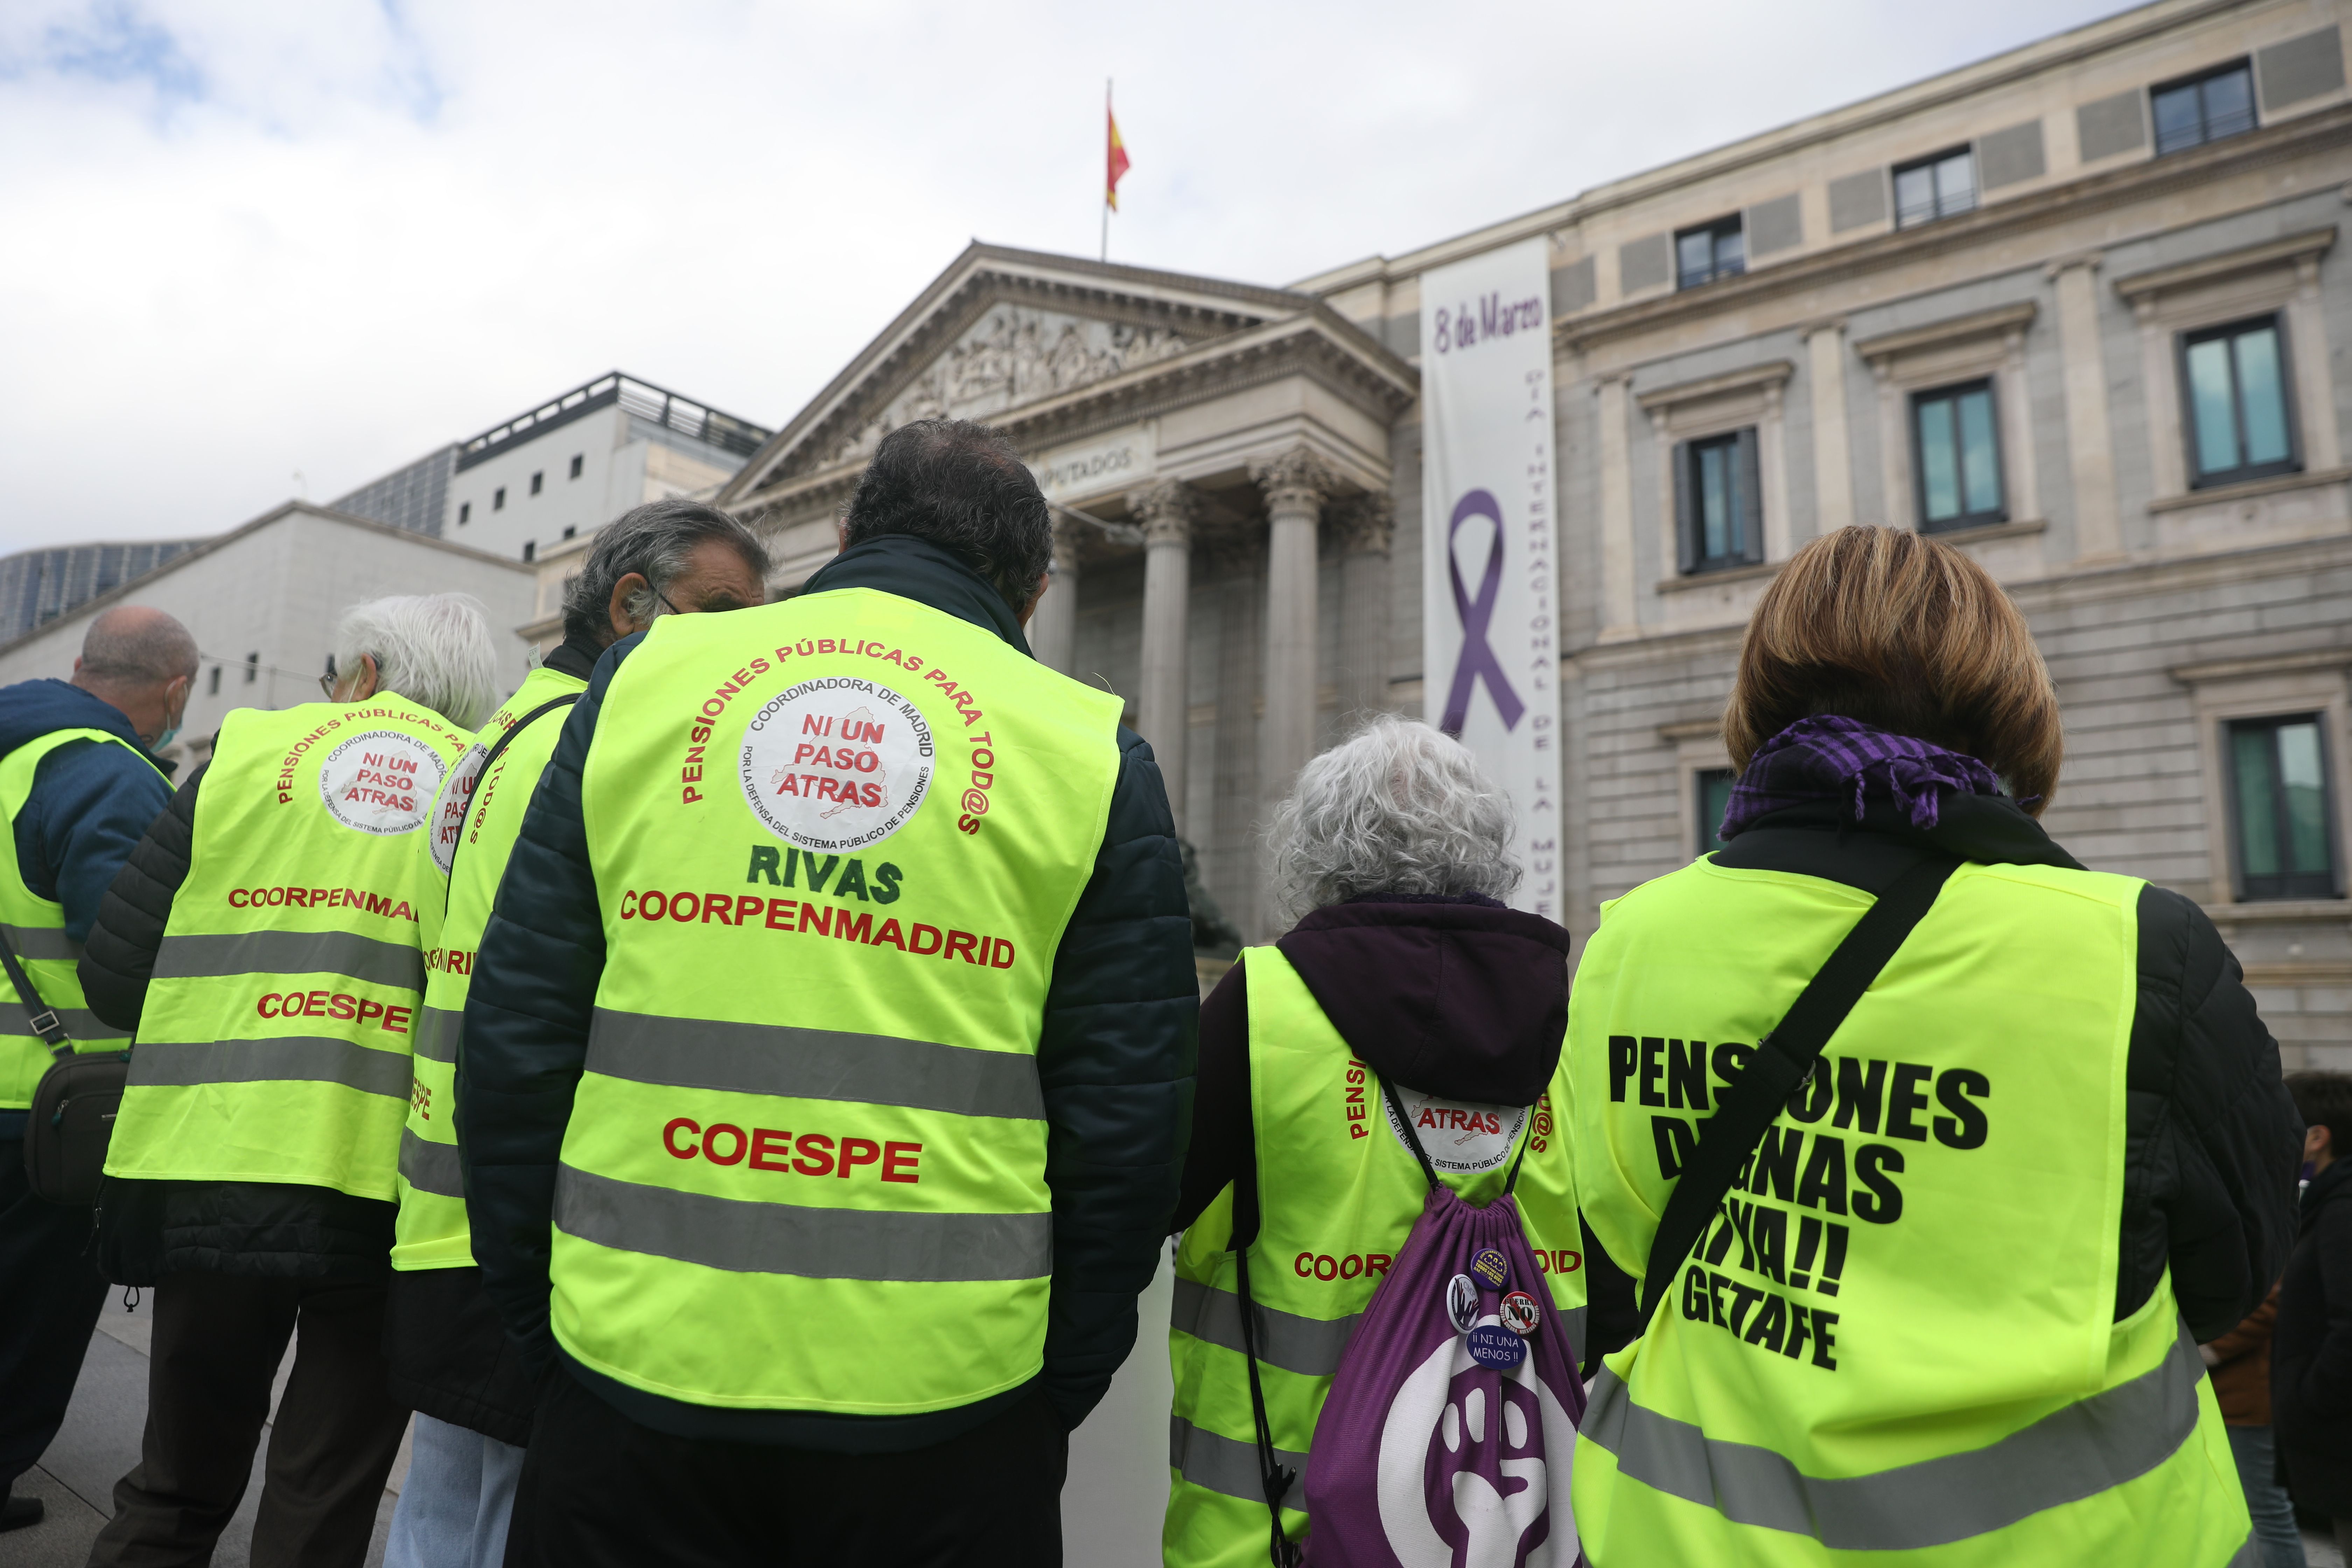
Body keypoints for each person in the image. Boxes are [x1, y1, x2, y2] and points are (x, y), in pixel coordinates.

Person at [461, 417, 1196, 1568]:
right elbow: (1128, 1124)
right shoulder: (1086, 749)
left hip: (631, 1369)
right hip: (947, 1404)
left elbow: (517, 1035)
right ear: (1036, 592)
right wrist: (1051, 1389)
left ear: (848, 538)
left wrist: (541, 1321)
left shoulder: (648, 682)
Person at [1568, 525, 2302, 1565]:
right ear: (2006, 698)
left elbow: (1616, 1245)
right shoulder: (2138, 947)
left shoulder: (1629, 938)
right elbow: (2234, 1273)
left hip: (1681, 1537)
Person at [384, 500, 769, 1568]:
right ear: (630, 604)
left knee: (443, 1514)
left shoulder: (502, 736)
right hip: (529, 1209)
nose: (745, 643)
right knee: (499, 1521)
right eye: (722, 612)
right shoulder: (590, 747)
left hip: (449, 1200)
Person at [77, 593, 498, 1567]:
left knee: (175, 1484)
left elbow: (115, 975)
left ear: (365, 673)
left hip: (213, 1157)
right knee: (323, 1495)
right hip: (392, 1189)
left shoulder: (248, 754)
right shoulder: (491, 786)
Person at [1163, 715, 1584, 1565]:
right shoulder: (1563, 1023)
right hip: (1515, 1524)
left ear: (1318, 848)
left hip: (1275, 1528)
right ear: (1488, 847)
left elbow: (1146, 1199)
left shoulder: (1261, 1008)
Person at [0, 606, 193, 1533]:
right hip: (45, 1108)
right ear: (176, 690)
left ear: (81, 665)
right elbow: (122, 955)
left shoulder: (16, 753)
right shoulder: (107, 773)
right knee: (26, 1320)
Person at [2275, 1071, 2352, 1558]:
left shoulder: (2342, 1208)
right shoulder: (2330, 1201)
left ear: (2318, 1137)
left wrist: (2309, 1397)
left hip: (2339, 1437)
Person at [2206, 1283, 2303, 1568]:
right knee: (2232, 1513)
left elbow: (2269, 1306)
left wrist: (2207, 1349)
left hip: (2245, 1404)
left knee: (2266, 1515)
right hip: (2219, 1400)